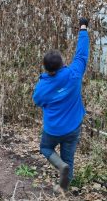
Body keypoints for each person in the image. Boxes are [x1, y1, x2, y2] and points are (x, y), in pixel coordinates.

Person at [32, 17, 89, 191]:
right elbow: (81, 54)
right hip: (73, 126)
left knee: (45, 147)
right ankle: (63, 187)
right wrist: (83, 28)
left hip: (53, 129)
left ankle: (59, 166)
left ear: (46, 68)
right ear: (63, 62)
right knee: (69, 157)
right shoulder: (74, 73)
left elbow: (37, 101)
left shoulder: (43, 86)